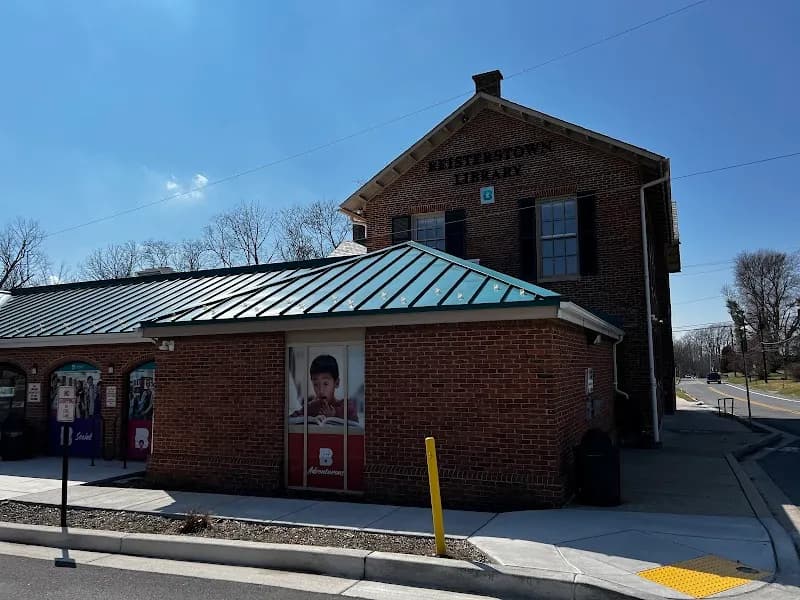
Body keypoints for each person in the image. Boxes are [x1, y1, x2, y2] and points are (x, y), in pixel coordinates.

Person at [290, 355, 357, 424]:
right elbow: (290, 419)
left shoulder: (347, 406)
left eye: (325, 384)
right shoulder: (311, 407)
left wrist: (334, 415)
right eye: (315, 384)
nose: (321, 390)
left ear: (336, 383)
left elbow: (356, 428)